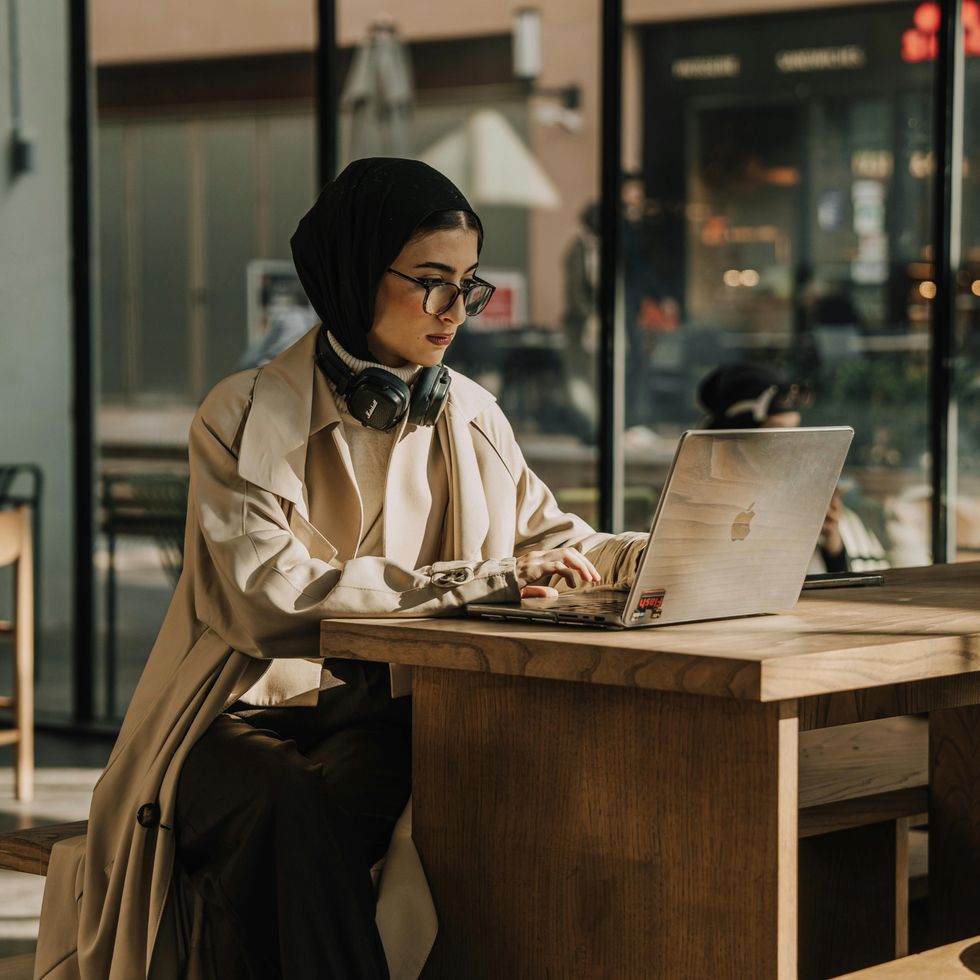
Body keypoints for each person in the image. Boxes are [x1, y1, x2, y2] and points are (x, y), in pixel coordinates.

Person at [34, 158, 646, 980]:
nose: (455, 312)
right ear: (354, 271)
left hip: (378, 717)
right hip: (228, 719)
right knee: (289, 803)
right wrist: (477, 580)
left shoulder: (469, 410)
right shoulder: (241, 412)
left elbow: (553, 533)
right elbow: (268, 601)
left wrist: (652, 552)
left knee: (479, 790)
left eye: (469, 285)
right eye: (432, 282)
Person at [697, 362, 889, 574]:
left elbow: (835, 582)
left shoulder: (796, 493)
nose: (789, 446)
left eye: (793, 431)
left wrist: (830, 539)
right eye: (777, 432)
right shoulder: (698, 499)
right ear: (739, 436)